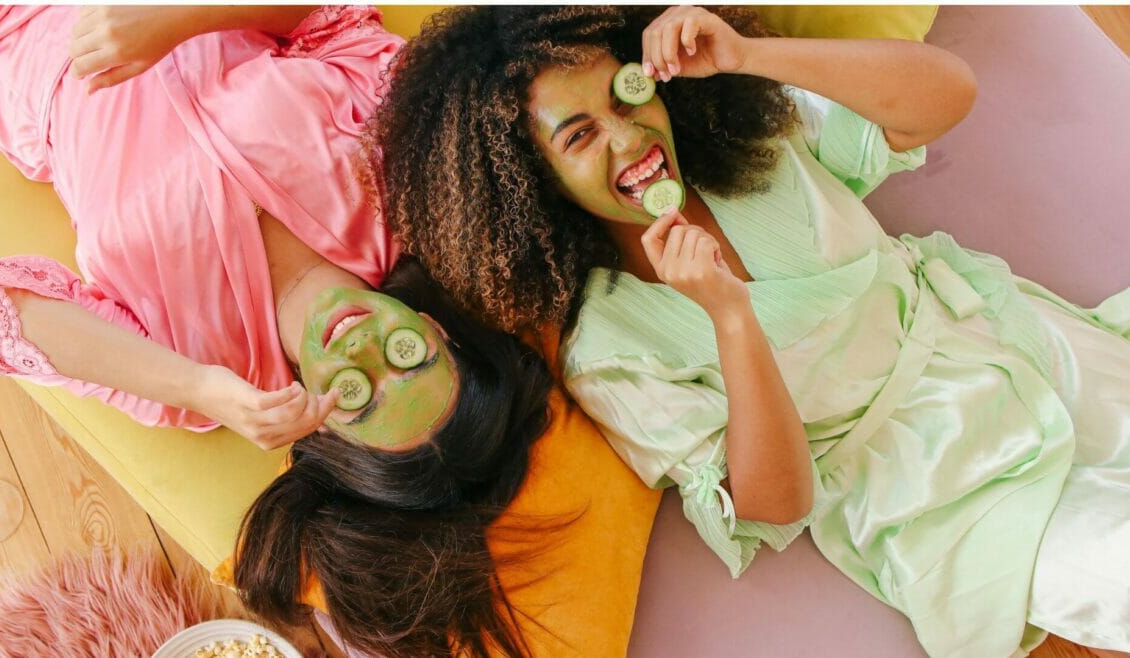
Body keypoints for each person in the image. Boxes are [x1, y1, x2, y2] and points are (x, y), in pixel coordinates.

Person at [373, 5, 1130, 657]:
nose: (628, 138)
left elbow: (947, 95)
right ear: (527, 182)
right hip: (938, 496)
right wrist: (730, 316)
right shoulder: (606, 345)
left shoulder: (754, 144)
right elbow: (774, 502)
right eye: (578, 136)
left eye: (625, 95)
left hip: (1019, 346)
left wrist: (746, 55)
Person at [0, 6, 553, 657]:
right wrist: (174, 21)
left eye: (358, 394)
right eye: (408, 357)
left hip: (10, 37)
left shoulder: (201, 376)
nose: (363, 350)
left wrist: (199, 387)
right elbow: (327, 15)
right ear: (438, 330)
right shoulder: (398, 185)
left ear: (327, 431)